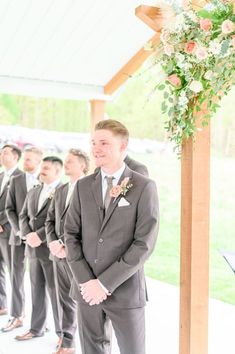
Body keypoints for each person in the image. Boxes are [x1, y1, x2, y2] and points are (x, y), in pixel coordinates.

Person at [64, 119, 159, 354]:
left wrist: (104, 283)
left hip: (125, 290)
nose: (96, 148)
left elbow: (144, 243)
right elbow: (71, 234)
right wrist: (86, 281)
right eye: (94, 142)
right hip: (86, 290)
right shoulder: (83, 186)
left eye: (104, 143)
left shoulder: (143, 186)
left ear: (123, 146)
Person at [46, 149, 90, 354]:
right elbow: (50, 219)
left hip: (78, 254)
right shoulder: (62, 189)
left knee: (80, 299)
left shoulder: (89, 188)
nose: (65, 164)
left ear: (82, 165)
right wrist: (53, 242)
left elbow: (88, 223)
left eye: (70, 162)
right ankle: (67, 340)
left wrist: (65, 244)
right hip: (57, 253)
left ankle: (85, 340)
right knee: (62, 298)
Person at [15, 156, 63, 346]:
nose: (41, 171)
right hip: (32, 249)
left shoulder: (62, 191)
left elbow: (61, 221)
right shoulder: (34, 190)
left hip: (51, 250)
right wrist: (28, 235)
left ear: (57, 172)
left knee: (55, 292)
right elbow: (23, 215)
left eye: (46, 169)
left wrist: (40, 236)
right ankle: (37, 328)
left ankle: (63, 334)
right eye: (41, 168)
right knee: (36, 290)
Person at [1, 147, 43, 332]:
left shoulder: (45, 181)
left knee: (40, 282)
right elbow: (10, 208)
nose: (25, 162)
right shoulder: (16, 180)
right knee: (15, 276)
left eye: (29, 160)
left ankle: (40, 323)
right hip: (16, 236)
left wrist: (37, 234)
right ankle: (17, 315)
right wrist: (19, 230)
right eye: (24, 159)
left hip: (39, 239)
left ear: (38, 161)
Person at [0, 144, 22, 317]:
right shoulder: (1, 176)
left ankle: (18, 312)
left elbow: (19, 206)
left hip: (9, 230)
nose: (1, 155)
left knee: (14, 272)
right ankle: (2, 305)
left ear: (15, 157)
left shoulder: (21, 177)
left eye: (5, 153)